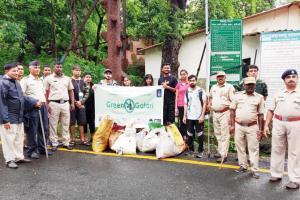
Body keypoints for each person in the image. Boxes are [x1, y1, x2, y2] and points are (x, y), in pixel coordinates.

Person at [264, 69, 300, 190]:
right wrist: (266, 125)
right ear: (284, 80)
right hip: (278, 122)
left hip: (296, 124)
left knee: (295, 152)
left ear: (297, 79)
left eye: (294, 76)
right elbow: (270, 110)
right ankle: (276, 174)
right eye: (288, 77)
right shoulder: (278, 93)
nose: (291, 78)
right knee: (277, 149)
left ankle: (295, 179)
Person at [0, 63, 41, 169]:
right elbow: (1, 102)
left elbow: (23, 97)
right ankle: (9, 160)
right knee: (9, 139)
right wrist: (5, 119)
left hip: (19, 116)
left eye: (17, 70)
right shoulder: (3, 83)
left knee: (19, 138)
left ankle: (18, 157)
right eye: (13, 71)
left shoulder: (16, 82)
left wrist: (34, 101)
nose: (16, 72)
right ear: (6, 71)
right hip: (9, 117)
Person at [230, 77, 264, 179]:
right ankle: (243, 165)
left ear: (255, 85)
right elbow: (232, 111)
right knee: (240, 147)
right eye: (248, 84)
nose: (250, 86)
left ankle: (254, 170)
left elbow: (261, 115)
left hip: (252, 126)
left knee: (253, 148)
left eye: (252, 84)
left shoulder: (259, 97)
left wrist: (261, 130)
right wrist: (231, 125)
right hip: (238, 125)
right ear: (244, 85)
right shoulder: (237, 96)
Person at [20, 61, 52, 159]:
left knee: (44, 129)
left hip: (42, 106)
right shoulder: (26, 80)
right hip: (32, 108)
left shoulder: (41, 80)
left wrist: (45, 105)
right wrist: (33, 102)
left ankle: (42, 148)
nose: (37, 69)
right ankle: (32, 151)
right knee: (32, 130)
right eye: (35, 67)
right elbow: (22, 95)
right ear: (30, 69)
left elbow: (43, 94)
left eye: (38, 67)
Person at [44, 62, 75, 151]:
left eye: (60, 67)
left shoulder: (67, 78)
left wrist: (72, 103)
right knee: (53, 124)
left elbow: (71, 91)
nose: (59, 68)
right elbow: (45, 91)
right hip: (53, 103)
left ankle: (66, 142)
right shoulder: (48, 78)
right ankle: (54, 143)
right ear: (54, 67)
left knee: (66, 123)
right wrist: (46, 104)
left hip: (65, 103)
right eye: (57, 67)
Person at [208, 71, 235, 163]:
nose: (220, 78)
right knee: (218, 134)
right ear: (216, 78)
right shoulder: (213, 87)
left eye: (222, 76)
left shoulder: (229, 87)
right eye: (219, 76)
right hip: (215, 113)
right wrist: (209, 103)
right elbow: (210, 97)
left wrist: (232, 114)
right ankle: (220, 151)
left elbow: (233, 100)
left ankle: (224, 155)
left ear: (225, 77)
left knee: (225, 134)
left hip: (225, 113)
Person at [183, 75, 207, 158]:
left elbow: (204, 104)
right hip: (189, 116)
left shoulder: (201, 91)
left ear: (196, 81)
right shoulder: (187, 91)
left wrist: (202, 116)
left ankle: (201, 151)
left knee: (200, 134)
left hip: (198, 117)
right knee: (189, 134)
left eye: (193, 80)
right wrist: (184, 116)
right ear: (188, 81)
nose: (192, 82)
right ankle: (191, 150)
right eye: (190, 80)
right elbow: (185, 104)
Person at [70, 65, 90, 146]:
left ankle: (82, 139)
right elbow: (68, 93)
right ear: (72, 71)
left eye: (79, 70)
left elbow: (87, 93)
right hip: (72, 105)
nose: (78, 72)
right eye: (76, 70)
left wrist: (81, 102)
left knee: (81, 122)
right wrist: (74, 102)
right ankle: (73, 139)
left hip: (81, 105)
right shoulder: (69, 80)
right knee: (72, 122)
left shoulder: (83, 81)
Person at [175, 69, 189, 138]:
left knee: (188, 121)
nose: (183, 75)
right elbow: (176, 96)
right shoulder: (178, 85)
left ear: (187, 74)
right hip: (180, 105)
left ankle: (187, 136)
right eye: (181, 74)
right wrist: (176, 108)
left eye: (184, 74)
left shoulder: (190, 84)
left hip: (189, 105)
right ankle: (182, 137)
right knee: (182, 121)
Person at [83, 73, 95, 142]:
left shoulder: (94, 86)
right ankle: (85, 137)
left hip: (92, 107)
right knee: (84, 122)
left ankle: (93, 137)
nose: (88, 78)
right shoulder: (81, 86)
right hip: (84, 107)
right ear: (84, 78)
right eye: (87, 77)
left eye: (90, 77)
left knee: (91, 122)